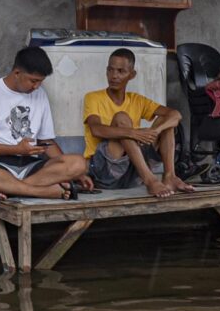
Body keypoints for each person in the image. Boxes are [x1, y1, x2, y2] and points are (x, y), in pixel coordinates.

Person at [0, 46, 93, 200]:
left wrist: (76, 173)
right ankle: (42, 191)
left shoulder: (40, 94)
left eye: (40, 82)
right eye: (33, 81)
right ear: (17, 73)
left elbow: (46, 142)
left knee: (79, 163)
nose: (37, 86)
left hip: (31, 166)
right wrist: (16, 149)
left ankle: (10, 189)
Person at [83, 48, 194, 198]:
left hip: (133, 169)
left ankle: (170, 176)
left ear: (132, 75)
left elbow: (176, 115)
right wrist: (134, 133)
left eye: (121, 71)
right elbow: (96, 130)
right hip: (106, 171)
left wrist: (156, 130)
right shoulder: (93, 97)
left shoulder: (137, 100)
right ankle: (151, 181)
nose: (114, 76)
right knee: (122, 118)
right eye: (111, 70)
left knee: (166, 121)